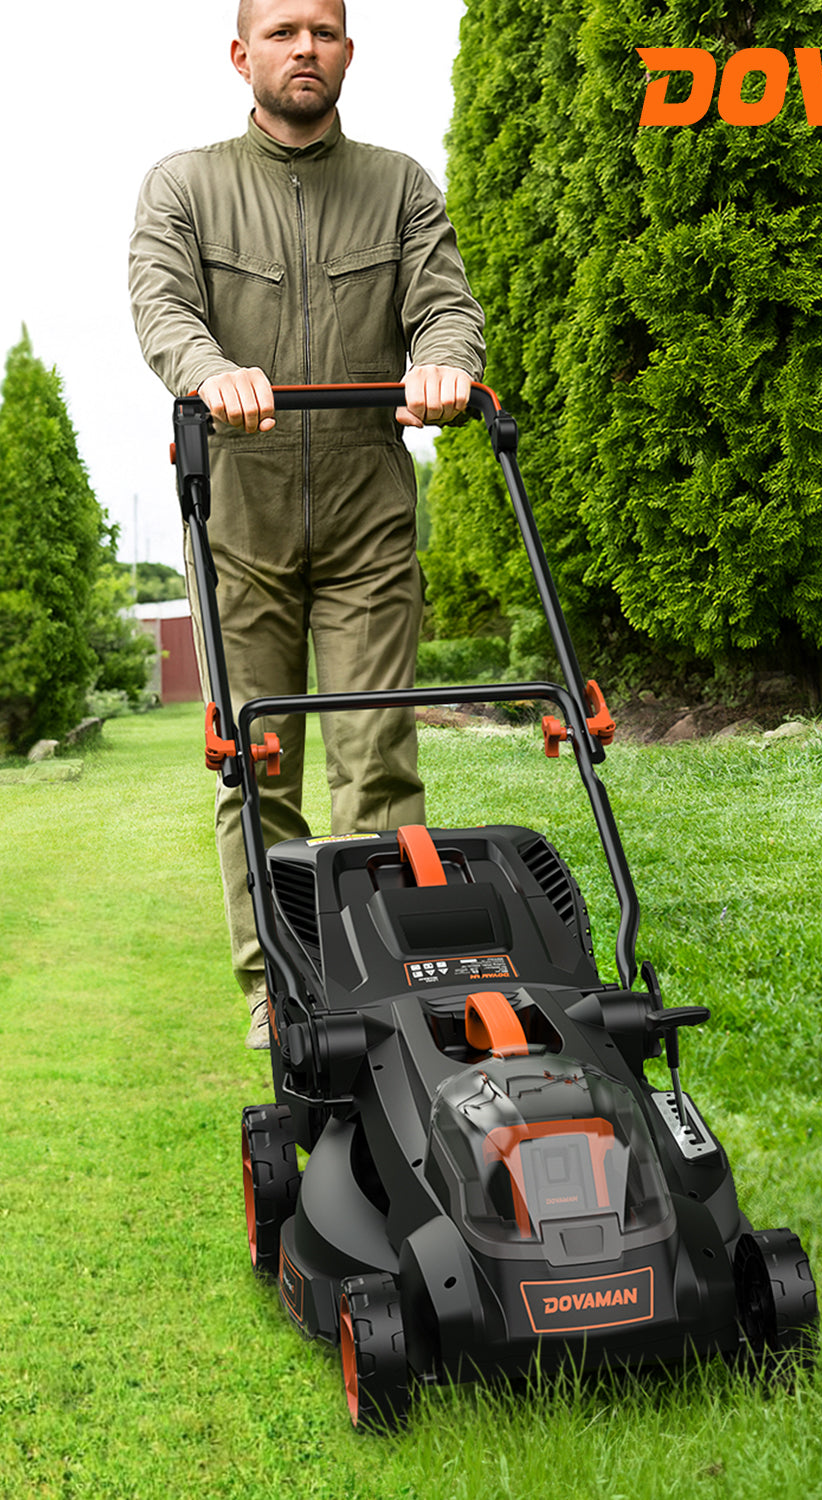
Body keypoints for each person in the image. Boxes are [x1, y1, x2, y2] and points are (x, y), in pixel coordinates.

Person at [129, 0, 486, 1047]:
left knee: (375, 757)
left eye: (322, 31)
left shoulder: (400, 185)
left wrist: (446, 366)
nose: (304, 49)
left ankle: (391, 982)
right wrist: (210, 373)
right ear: (242, 55)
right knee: (259, 763)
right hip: (237, 522)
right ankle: (278, 987)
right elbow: (163, 308)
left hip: (368, 515)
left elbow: (445, 306)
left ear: (347, 52)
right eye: (282, 32)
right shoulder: (185, 185)